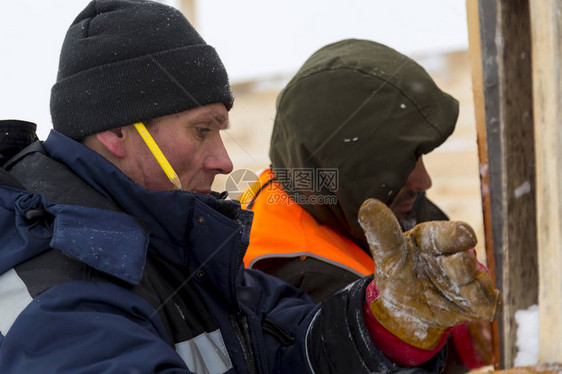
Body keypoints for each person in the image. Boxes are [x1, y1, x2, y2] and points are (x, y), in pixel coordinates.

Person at [0, 2, 500, 373]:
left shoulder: (177, 240)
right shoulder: (55, 292)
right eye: (202, 129)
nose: (223, 160)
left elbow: (288, 352)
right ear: (116, 131)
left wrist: (385, 329)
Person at [242, 39, 495, 371]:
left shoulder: (339, 196)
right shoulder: (296, 280)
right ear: (347, 166)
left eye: (418, 155)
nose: (424, 181)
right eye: (404, 161)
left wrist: (467, 334)